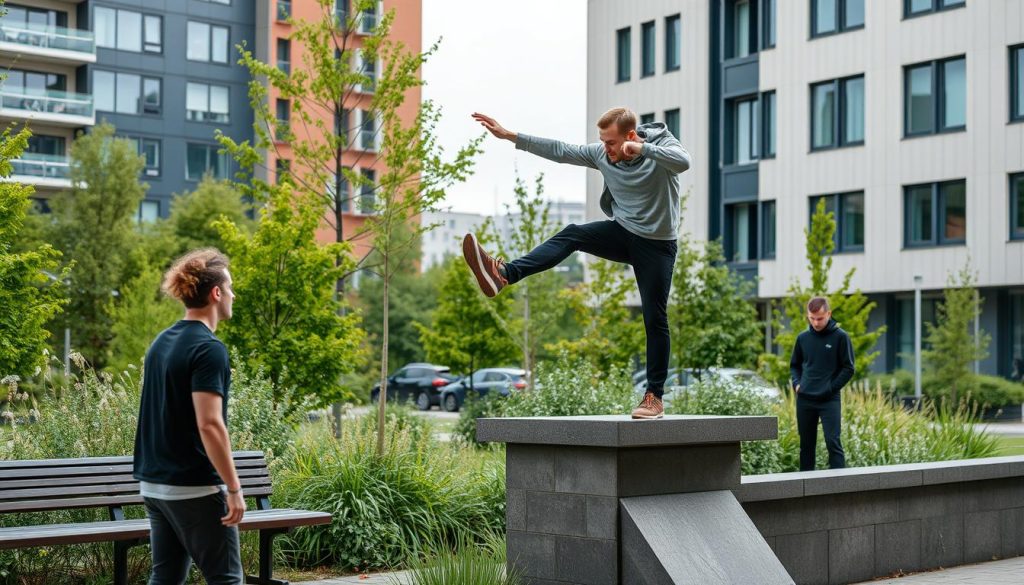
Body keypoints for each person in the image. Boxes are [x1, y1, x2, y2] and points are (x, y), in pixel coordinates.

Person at [463, 108, 691, 419]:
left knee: (655, 317)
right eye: (602, 142)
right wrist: (510, 136)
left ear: (630, 137)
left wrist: (641, 149)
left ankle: (654, 397)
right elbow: (562, 151)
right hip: (623, 232)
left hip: (658, 245)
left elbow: (683, 162)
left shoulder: (662, 147)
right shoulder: (601, 154)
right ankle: (503, 274)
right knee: (573, 234)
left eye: (611, 143)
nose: (605, 150)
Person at [133, 248, 245, 584]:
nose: (233, 295)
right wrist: (234, 487)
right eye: (230, 288)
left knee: (165, 579)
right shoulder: (209, 349)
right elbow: (209, 424)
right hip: (193, 487)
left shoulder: (161, 342)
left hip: (154, 484)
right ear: (216, 293)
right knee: (226, 578)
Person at [790, 297, 855, 471]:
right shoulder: (802, 338)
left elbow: (849, 368)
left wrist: (830, 388)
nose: (816, 322)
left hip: (829, 399)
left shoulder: (841, 337)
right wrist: (797, 384)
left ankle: (839, 488)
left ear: (829, 313)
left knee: (832, 442)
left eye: (819, 318)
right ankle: (806, 488)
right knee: (806, 445)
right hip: (805, 399)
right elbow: (794, 365)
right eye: (812, 318)